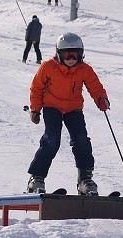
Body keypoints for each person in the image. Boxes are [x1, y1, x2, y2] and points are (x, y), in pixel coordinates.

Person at [26, 33, 110, 195]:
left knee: (82, 140)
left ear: (81, 54)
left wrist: (101, 99)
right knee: (51, 141)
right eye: (67, 54)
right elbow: (36, 88)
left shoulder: (84, 69)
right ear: (58, 53)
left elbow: (95, 86)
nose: (71, 58)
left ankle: (85, 179)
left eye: (75, 54)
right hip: (52, 107)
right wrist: (35, 109)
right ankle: (36, 178)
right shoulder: (48, 67)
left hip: (73, 109)